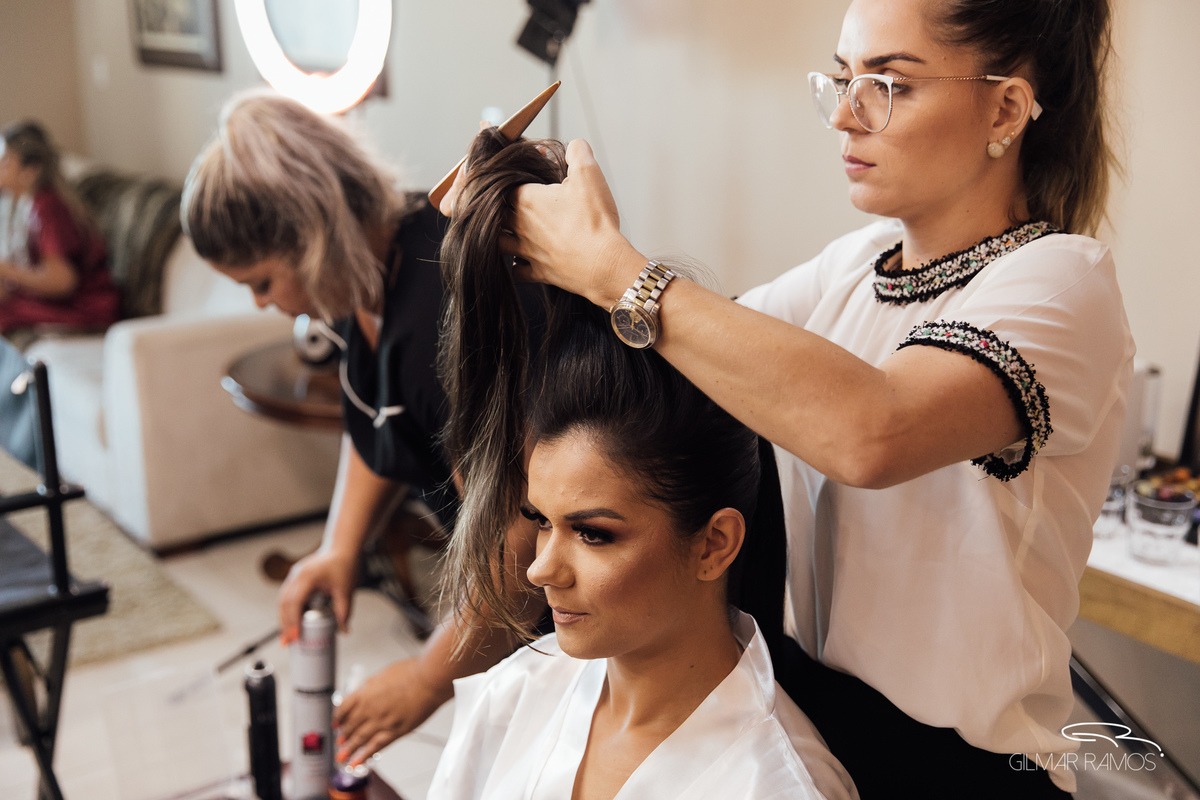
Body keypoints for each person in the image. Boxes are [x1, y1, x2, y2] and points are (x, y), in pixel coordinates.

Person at [425, 0, 1134, 796]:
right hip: (808, 716)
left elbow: (872, 431)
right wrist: (525, 225)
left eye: (888, 84)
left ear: (1006, 105)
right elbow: (684, 371)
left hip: (963, 772)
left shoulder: (1061, 282)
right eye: (840, 79)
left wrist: (614, 268)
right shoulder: (856, 265)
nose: (843, 115)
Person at [426, 129, 856, 800]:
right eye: (541, 521)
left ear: (715, 543)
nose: (540, 567)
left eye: (594, 533)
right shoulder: (510, 699)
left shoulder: (777, 785)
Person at [181, 92, 460, 751]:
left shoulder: (442, 310)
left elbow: (523, 542)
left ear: (311, 237)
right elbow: (378, 416)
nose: (260, 303)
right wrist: (340, 544)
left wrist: (427, 677)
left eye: (261, 282)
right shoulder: (362, 284)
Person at [0, 121, 119, 337]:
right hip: (62, 302)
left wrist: (7, 270)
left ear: (30, 171)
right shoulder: (23, 202)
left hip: (85, 308)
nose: (0, 166)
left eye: (7, 160)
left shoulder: (47, 206)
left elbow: (62, 280)